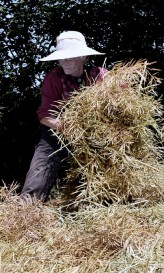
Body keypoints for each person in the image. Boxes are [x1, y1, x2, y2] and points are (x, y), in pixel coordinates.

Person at [20, 31, 106, 201]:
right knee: (43, 160)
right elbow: (45, 115)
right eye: (60, 58)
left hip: (95, 132)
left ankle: (102, 201)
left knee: (106, 159)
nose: (62, 62)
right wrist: (70, 128)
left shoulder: (100, 76)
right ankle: (27, 206)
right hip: (58, 129)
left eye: (68, 57)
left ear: (83, 57)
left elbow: (122, 97)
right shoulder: (54, 78)